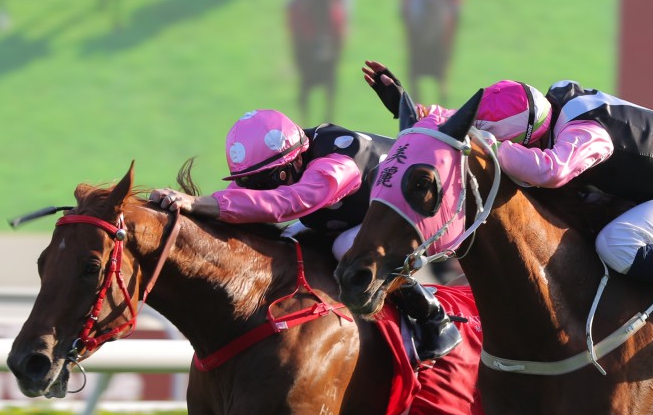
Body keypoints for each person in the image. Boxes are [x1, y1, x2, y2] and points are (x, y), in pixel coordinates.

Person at [363, 62, 653, 357]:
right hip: (643, 188)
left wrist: (490, 149)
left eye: (513, 145)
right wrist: (405, 105)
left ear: (529, 135)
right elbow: (459, 125)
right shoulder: (535, 114)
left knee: (617, 244)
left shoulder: (586, 132)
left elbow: (550, 171)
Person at [148, 108, 462, 362]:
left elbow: (287, 203)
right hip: (341, 217)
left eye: (264, 181)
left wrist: (203, 203)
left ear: (292, 163)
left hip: (403, 223)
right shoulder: (276, 161)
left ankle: (434, 319)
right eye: (250, 182)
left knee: (346, 248)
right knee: (287, 244)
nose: (256, 189)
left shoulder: (339, 164)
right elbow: (240, 199)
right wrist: (188, 209)